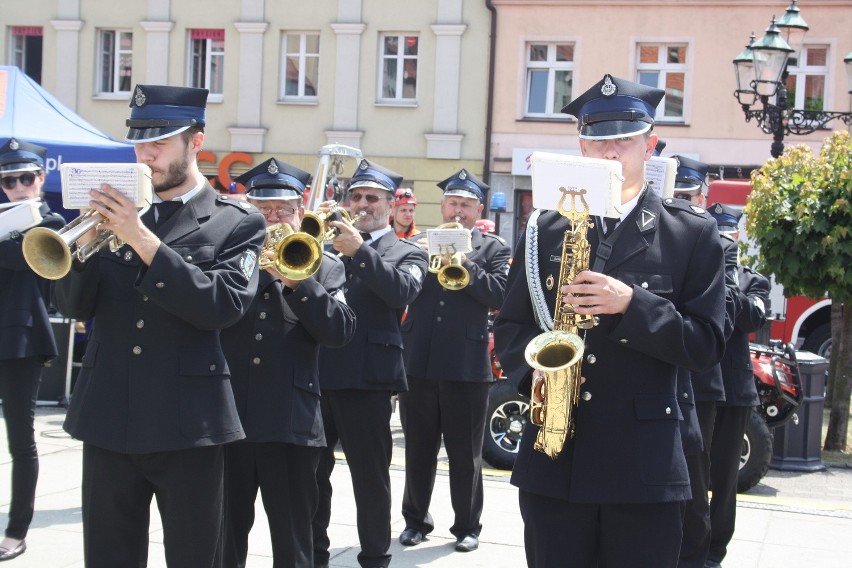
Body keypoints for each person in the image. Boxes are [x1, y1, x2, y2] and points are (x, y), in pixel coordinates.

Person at [494, 74, 727, 567]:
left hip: (642, 467)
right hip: (556, 458)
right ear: (581, 145)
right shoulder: (543, 228)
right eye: (599, 140)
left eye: (625, 139)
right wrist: (533, 375)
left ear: (651, 145)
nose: (610, 152)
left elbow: (705, 345)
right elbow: (511, 326)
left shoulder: (690, 234)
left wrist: (633, 305)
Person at [53, 84, 267, 568]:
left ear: (196, 141)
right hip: (109, 412)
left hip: (189, 422)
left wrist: (142, 240)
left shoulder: (236, 221)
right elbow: (72, 304)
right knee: (108, 557)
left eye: (160, 142)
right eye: (139, 142)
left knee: (196, 557)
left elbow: (224, 306)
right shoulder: (115, 211)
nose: (145, 154)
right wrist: (82, 246)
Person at [220, 158, 356, 568]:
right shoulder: (228, 261)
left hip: (291, 424)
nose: (274, 218)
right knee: (223, 539)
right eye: (264, 210)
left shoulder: (325, 266)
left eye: (283, 210)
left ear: (300, 213)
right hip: (230, 419)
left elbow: (339, 333)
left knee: (296, 540)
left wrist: (298, 282)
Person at [312, 159, 428, 568]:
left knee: (371, 479)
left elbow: (401, 293)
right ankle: (314, 554)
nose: (363, 204)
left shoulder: (407, 250)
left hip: (368, 379)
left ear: (390, 204)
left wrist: (359, 251)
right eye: (356, 196)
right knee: (312, 477)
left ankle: (376, 555)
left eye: (372, 198)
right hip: (319, 373)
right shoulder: (323, 246)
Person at [397, 169, 510, 552]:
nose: (458, 210)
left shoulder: (493, 248)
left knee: (466, 454)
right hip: (420, 361)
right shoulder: (418, 243)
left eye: (465, 204)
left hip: (465, 365)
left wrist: (466, 262)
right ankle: (415, 521)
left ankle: (467, 526)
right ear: (442, 205)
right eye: (452, 203)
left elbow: (499, 296)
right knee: (418, 448)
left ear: (477, 208)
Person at [670, 155, 740, 568]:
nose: (681, 203)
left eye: (688, 196)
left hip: (698, 378)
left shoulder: (718, 243)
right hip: (657, 373)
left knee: (695, 480)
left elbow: (725, 310)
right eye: (674, 195)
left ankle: (695, 558)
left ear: (703, 196)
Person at [0, 138, 65, 562]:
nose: (19, 187)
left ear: (41, 178)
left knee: (21, 441)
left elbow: (27, 259)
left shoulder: (53, 221)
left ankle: (16, 529)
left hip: (21, 340)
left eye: (27, 178)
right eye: (9, 180)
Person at [706, 203, 770, 568]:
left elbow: (749, 316)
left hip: (733, 390)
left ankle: (716, 549)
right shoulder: (697, 272)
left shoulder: (751, 279)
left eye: (727, 236)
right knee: (693, 472)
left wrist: (726, 282)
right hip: (700, 385)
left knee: (725, 475)